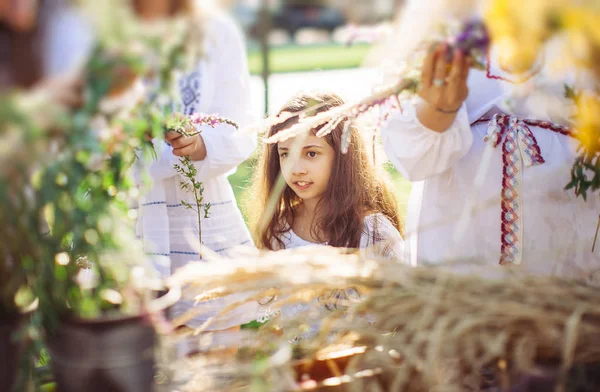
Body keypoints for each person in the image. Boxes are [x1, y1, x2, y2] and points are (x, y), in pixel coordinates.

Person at [381, 41, 600, 282]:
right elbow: (411, 152)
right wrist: (439, 108)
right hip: (462, 210)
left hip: (569, 207)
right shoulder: (451, 26)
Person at [131, 0, 257, 334]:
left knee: (212, 354)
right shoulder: (94, 31)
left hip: (199, 217)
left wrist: (201, 145)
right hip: (122, 212)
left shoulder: (215, 32)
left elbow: (238, 125)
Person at [249, 91, 404, 259]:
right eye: (286, 154)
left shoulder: (373, 232)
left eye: (311, 154)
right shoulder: (278, 228)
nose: (296, 169)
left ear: (342, 155)